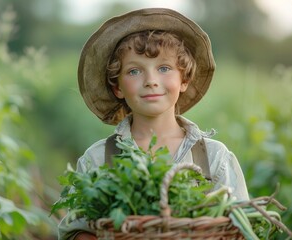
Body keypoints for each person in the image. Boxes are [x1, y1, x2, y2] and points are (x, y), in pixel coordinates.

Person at [58, 7, 249, 240]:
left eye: (164, 68)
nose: (151, 81)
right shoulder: (98, 159)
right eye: (134, 71)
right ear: (117, 87)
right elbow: (76, 230)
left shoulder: (213, 158)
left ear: (184, 79)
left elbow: (238, 227)